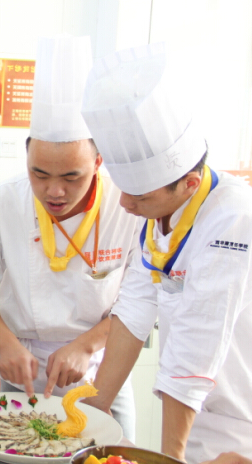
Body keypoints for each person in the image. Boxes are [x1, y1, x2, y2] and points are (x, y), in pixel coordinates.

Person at [0, 36, 141, 441]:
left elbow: (140, 301)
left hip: (102, 369)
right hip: (23, 372)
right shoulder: (1, 203)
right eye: (39, 174)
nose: (54, 192)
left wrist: (87, 345)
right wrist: (5, 343)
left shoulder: (127, 207)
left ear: (98, 161)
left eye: (71, 177)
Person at [81, 42, 252, 463]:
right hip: (195, 413)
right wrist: (92, 414)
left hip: (241, 422)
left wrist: (169, 457)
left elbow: (197, 339)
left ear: (189, 183)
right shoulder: (162, 214)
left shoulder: (232, 219)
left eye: (140, 196)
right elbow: (134, 309)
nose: (125, 205)